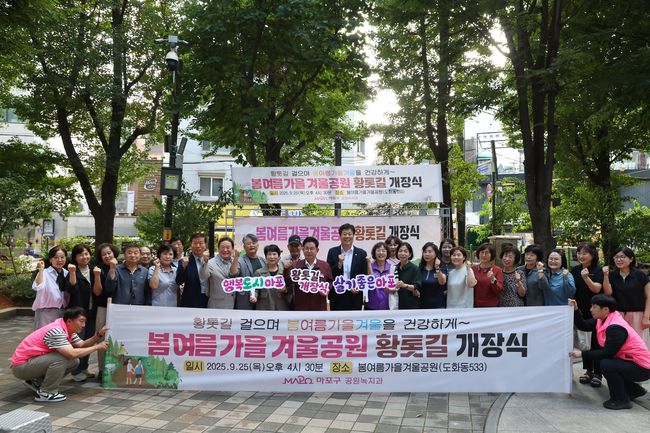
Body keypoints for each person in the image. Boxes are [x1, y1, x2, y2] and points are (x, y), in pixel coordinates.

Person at [10, 307, 109, 402]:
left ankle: (37, 382)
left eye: (84, 321)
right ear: (69, 321)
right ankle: (46, 393)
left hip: (31, 363)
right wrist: (97, 347)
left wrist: (99, 335)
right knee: (62, 358)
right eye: (81, 321)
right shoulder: (56, 331)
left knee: (74, 362)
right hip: (21, 367)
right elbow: (72, 353)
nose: (83, 325)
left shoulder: (68, 330)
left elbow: (82, 345)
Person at [569, 295, 650, 410]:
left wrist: (582, 354)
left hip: (642, 367)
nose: (591, 309)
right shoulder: (603, 320)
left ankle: (621, 400)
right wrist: (576, 309)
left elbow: (607, 353)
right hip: (630, 361)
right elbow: (583, 325)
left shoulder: (615, 327)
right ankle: (634, 390)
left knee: (607, 364)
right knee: (604, 362)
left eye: (594, 307)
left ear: (605, 309)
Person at [571, 242, 604, 387]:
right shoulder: (575, 270)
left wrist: (586, 278)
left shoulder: (598, 270)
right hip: (580, 310)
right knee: (585, 343)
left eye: (584, 253)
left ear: (592, 255)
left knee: (596, 342)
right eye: (579, 253)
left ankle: (598, 373)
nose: (581, 256)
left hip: (596, 312)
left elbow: (597, 289)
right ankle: (588, 370)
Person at [603, 247, 650, 346]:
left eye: (622, 257)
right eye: (616, 257)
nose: (619, 260)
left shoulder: (640, 276)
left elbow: (648, 297)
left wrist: (646, 317)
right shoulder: (612, 275)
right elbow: (608, 293)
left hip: (637, 315)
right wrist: (606, 276)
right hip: (617, 315)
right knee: (619, 344)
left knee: (638, 344)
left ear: (631, 259)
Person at [67, 244, 97, 382]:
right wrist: (72, 273)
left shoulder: (94, 270)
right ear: (75, 257)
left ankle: (84, 367)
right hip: (78, 313)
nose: (84, 257)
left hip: (92, 311)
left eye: (86, 254)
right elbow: (71, 290)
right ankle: (76, 370)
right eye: (80, 255)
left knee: (89, 340)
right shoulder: (71, 271)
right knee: (78, 340)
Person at [92, 243, 119, 380]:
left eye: (109, 253)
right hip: (103, 307)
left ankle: (117, 369)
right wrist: (97, 276)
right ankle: (102, 369)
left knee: (118, 340)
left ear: (114, 253)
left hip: (119, 308)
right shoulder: (98, 270)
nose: (107, 256)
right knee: (102, 338)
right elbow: (97, 292)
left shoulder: (122, 268)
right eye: (104, 254)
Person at [327, 223, 368, 310]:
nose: (347, 236)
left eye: (349, 234)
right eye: (344, 234)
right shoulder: (332, 252)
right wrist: (339, 263)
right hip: (337, 295)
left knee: (354, 319)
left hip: (355, 295)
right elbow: (329, 273)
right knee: (337, 318)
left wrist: (358, 286)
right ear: (340, 236)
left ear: (353, 236)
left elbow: (364, 274)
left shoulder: (361, 253)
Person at [284, 237, 332, 311]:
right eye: (306, 248)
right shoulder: (295, 265)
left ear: (317, 250)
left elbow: (330, 281)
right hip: (301, 307)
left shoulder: (325, 265)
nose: (309, 251)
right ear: (303, 249)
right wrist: (286, 269)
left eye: (312, 248)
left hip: (319, 307)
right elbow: (287, 282)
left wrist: (327, 289)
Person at [32, 246, 71, 329]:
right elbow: (37, 287)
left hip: (63, 312)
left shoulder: (67, 273)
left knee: (60, 336)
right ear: (50, 259)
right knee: (44, 335)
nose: (59, 260)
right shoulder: (44, 272)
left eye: (62, 257)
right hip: (45, 313)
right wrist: (41, 270)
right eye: (56, 257)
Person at [229, 234, 266, 310]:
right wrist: (236, 257)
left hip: (261, 298)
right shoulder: (239, 260)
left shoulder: (263, 260)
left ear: (258, 245)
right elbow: (232, 274)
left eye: (254, 243)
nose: (251, 245)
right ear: (244, 247)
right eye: (248, 243)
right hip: (245, 299)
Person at [200, 236, 238, 309]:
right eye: (222, 247)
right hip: (216, 305)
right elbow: (203, 276)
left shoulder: (236, 262)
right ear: (218, 248)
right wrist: (204, 262)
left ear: (232, 249)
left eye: (228, 247)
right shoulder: (210, 263)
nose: (225, 250)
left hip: (234, 304)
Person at [251, 244, 291, 310]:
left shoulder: (284, 272)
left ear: (279, 257)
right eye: (269, 254)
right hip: (264, 307)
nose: (272, 257)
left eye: (274, 254)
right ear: (266, 257)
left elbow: (291, 288)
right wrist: (253, 296)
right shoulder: (259, 272)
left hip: (281, 307)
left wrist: (285, 290)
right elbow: (255, 289)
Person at [176, 233, 209, 308]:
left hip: (209, 300)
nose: (198, 246)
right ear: (191, 245)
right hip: (190, 302)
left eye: (201, 243)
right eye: (195, 243)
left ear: (205, 245)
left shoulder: (211, 260)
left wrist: (207, 262)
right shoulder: (184, 261)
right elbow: (179, 281)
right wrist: (184, 267)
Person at [472, 243, 504, 307]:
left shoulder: (497, 270)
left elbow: (499, 291)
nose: (484, 255)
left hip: (491, 306)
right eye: (482, 252)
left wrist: (493, 279)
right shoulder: (473, 269)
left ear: (491, 255)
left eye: (487, 253)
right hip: (474, 305)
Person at [419, 242, 447, 309]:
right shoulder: (420, 268)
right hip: (422, 306)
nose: (427, 254)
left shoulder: (442, 267)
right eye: (425, 252)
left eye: (430, 252)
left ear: (436, 253)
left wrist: (437, 268)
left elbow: (442, 282)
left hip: (438, 306)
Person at [365, 242, 392, 310]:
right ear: (374, 253)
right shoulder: (369, 266)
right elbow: (370, 281)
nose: (381, 253)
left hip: (388, 306)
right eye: (378, 250)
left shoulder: (392, 268)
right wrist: (369, 264)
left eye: (383, 251)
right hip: (371, 305)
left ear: (387, 253)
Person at [395, 242, 421, 309]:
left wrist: (404, 285)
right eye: (400, 251)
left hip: (411, 305)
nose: (402, 253)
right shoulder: (395, 268)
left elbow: (416, 287)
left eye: (405, 251)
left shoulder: (415, 268)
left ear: (410, 254)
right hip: (397, 304)